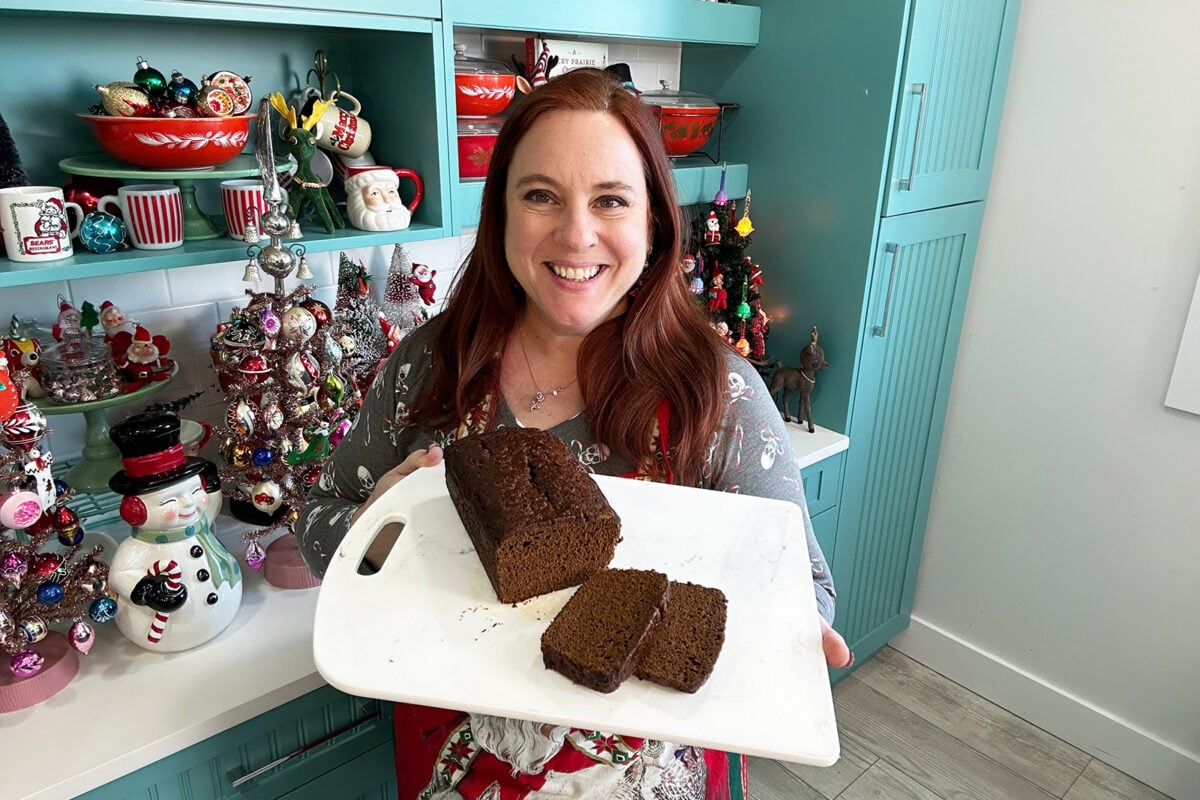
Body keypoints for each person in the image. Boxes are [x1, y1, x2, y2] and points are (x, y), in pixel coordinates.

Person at [296, 67, 851, 800]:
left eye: (611, 200)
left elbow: (801, 582)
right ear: (501, 214)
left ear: (653, 221)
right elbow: (317, 519)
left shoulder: (717, 397)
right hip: (455, 769)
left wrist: (790, 637)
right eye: (541, 196)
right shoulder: (430, 366)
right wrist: (379, 535)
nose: (576, 234)